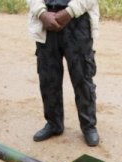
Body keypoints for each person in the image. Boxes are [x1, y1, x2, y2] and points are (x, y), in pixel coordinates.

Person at [26, 0, 100, 147]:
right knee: (48, 77)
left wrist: (70, 12)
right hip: (46, 20)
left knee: (82, 77)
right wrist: (41, 13)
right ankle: (54, 124)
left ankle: (88, 125)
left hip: (78, 21)